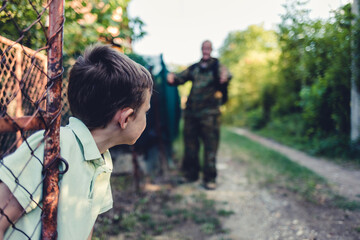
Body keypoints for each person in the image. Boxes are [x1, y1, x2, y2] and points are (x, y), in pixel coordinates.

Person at [0, 45, 153, 239]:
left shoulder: (102, 160)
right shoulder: (54, 145)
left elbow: (85, 228)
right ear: (126, 118)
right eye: (145, 111)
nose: (146, 117)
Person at [167, 40, 231, 190]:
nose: (206, 50)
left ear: (212, 49)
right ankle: (190, 174)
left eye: (208, 48)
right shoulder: (195, 68)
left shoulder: (218, 66)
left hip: (210, 115)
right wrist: (171, 78)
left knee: (210, 147)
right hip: (191, 114)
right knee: (190, 146)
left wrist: (225, 77)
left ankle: (210, 178)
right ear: (201, 49)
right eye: (204, 48)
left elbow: (227, 75)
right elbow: (179, 78)